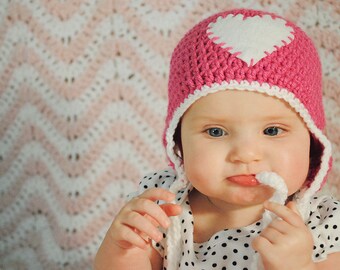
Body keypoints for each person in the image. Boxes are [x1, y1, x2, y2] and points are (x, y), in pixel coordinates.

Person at [94, 9, 340, 270]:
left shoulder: (322, 223)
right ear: (178, 143)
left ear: (313, 142)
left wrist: (299, 266)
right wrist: (124, 252)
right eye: (216, 132)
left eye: (272, 131)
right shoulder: (165, 209)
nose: (245, 154)